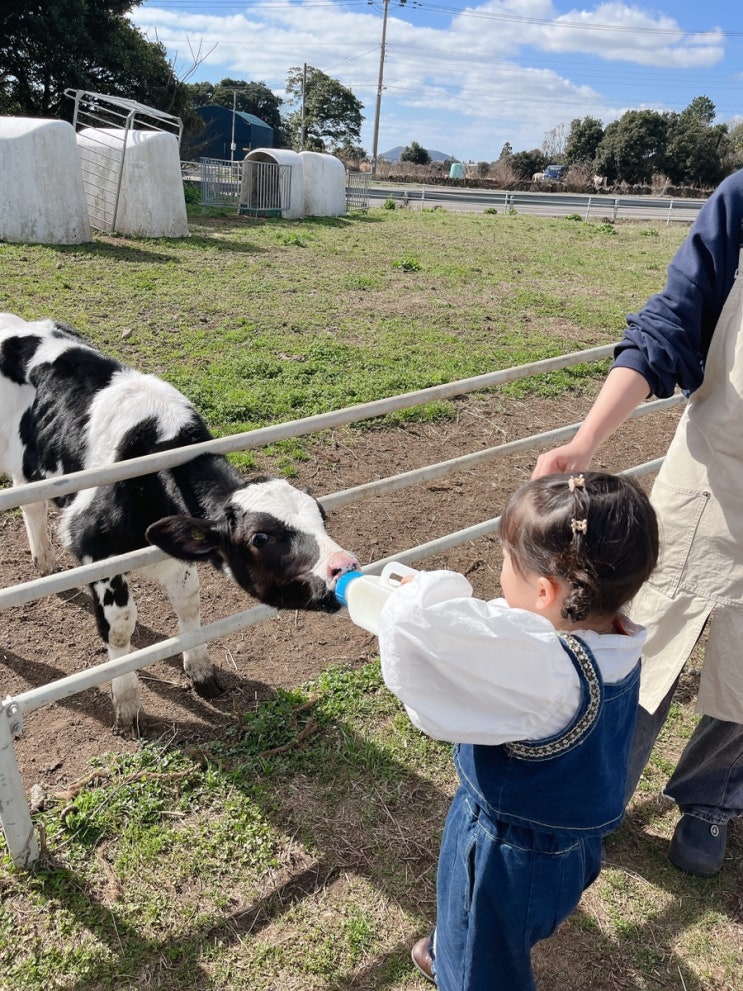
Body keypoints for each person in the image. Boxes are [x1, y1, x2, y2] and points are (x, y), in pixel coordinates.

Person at [532, 168, 743, 878]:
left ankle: (710, 796)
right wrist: (586, 439)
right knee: (642, 642)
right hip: (712, 474)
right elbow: (670, 322)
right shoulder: (740, 201)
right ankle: (598, 791)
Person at [374, 471, 658, 991]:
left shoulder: (545, 671)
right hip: (572, 842)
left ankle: (457, 967)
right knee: (503, 929)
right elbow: (514, 631)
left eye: (506, 561)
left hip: (505, 848)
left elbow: (426, 636)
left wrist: (416, 593)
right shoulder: (617, 639)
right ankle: (452, 947)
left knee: (485, 962)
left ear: (547, 591)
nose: (500, 572)